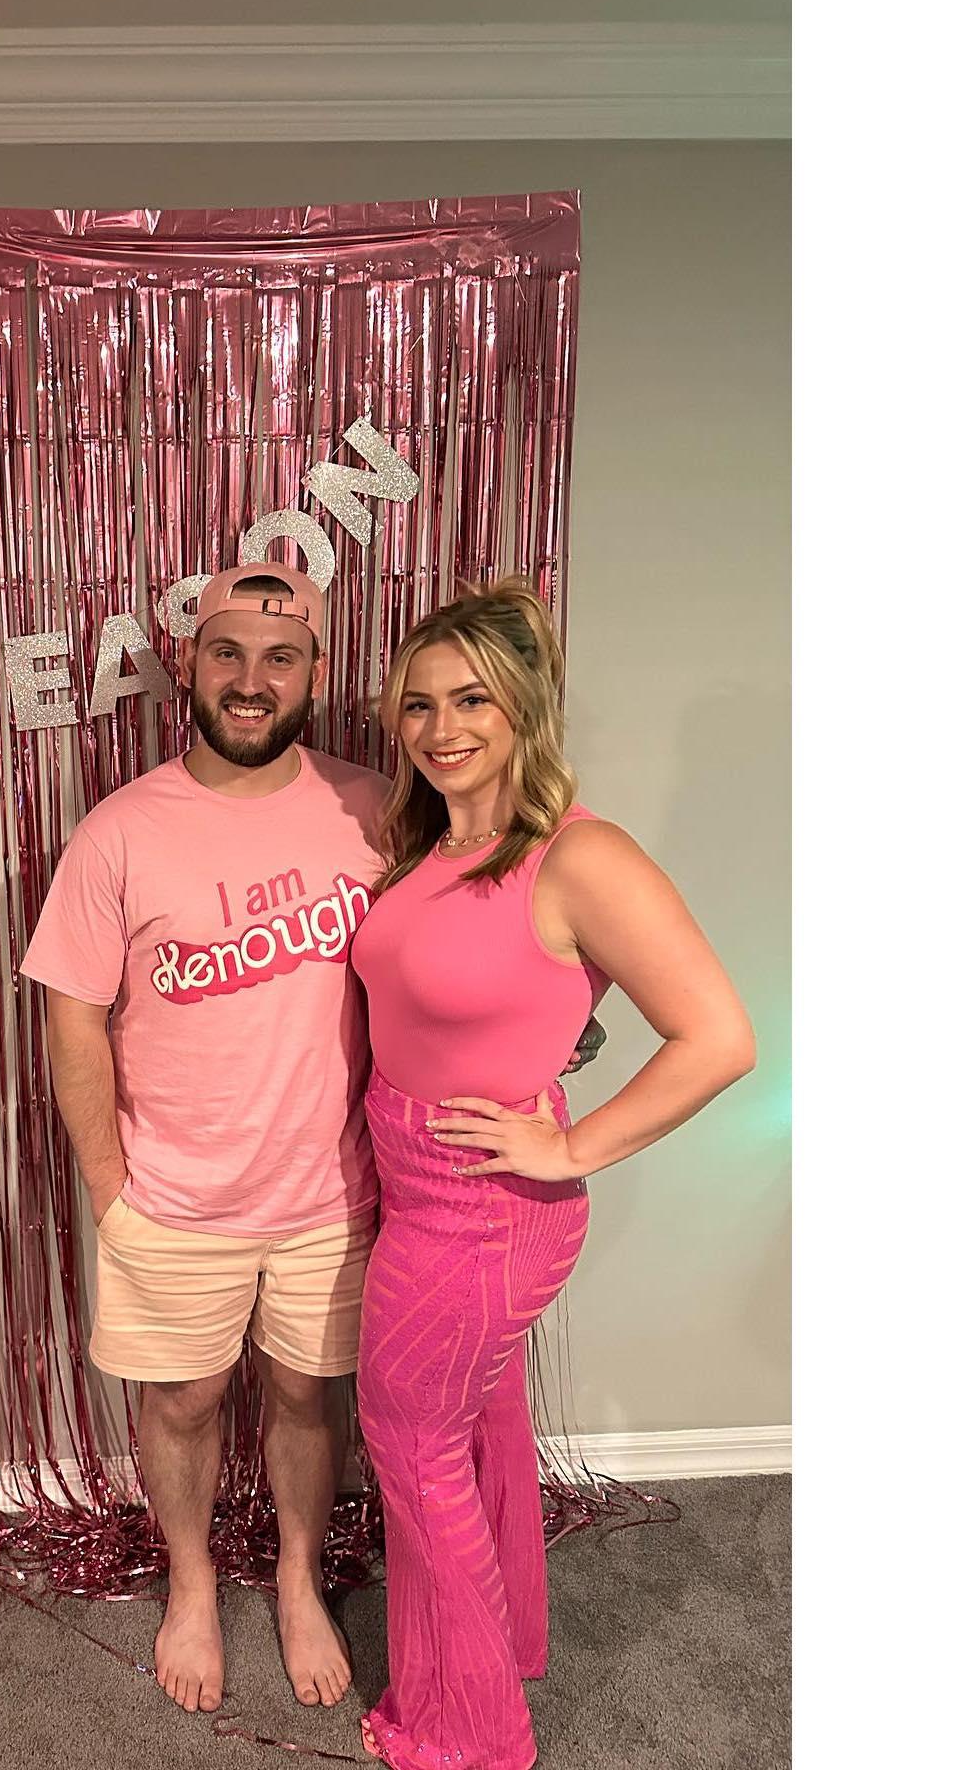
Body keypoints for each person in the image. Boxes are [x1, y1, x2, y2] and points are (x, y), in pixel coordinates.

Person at [19, 564, 599, 1718]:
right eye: (228, 653)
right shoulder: (119, 832)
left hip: (342, 1194)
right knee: (184, 1402)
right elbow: (73, 1018)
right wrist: (109, 1188)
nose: (252, 680)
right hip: (173, 1198)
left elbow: (503, 913)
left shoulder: (379, 809)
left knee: (305, 1396)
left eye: (280, 657)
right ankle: (192, 1585)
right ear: (188, 665)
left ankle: (296, 1579)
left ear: (317, 674)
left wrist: (566, 1031)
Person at [347, 580, 756, 1770]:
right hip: (412, 1182)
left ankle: (469, 1736)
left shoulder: (580, 856)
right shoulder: (430, 846)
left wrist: (569, 1147)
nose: (441, 728)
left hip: (485, 1208)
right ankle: (506, 1645)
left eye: (473, 699)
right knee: (473, 1428)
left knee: (410, 1444)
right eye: (419, 704)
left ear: (526, 706)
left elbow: (720, 1038)